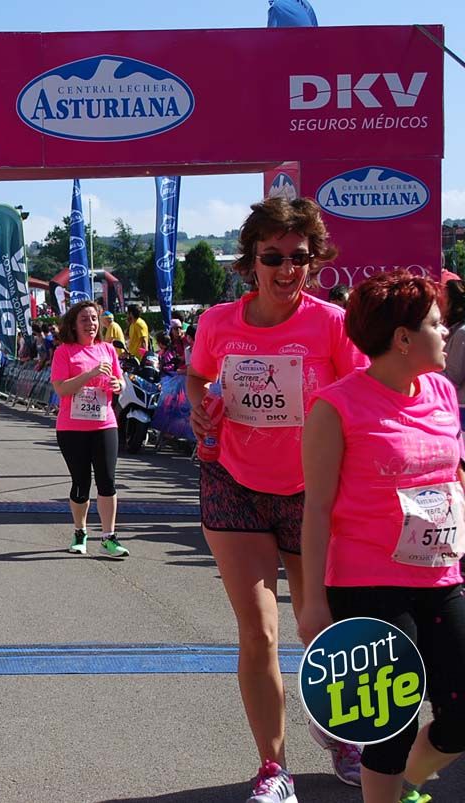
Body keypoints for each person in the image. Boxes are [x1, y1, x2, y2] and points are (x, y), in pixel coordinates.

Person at [186, 197, 366, 803]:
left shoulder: (331, 324)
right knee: (258, 632)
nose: (288, 269)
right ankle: (272, 767)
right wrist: (199, 404)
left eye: (299, 257)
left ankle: (339, 729)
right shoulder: (218, 322)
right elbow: (197, 374)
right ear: (251, 262)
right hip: (233, 480)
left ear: (314, 260)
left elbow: (360, 393)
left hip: (312, 491)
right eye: (274, 257)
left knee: (320, 627)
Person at [299, 270, 465, 803]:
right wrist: (313, 603)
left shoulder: (440, 390)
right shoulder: (336, 407)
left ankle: (408, 784)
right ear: (402, 339)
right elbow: (318, 509)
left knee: (461, 714)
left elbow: (452, 475)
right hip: (369, 583)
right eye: (437, 325)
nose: (446, 333)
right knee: (388, 727)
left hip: (443, 574)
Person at [50, 301, 129, 559]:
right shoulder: (65, 352)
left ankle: (109, 536)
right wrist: (91, 373)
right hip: (72, 428)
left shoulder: (108, 349)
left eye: (94, 319)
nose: (91, 324)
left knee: (107, 480)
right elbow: (62, 389)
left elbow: (120, 383)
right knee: (81, 483)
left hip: (104, 424)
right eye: (84, 319)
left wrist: (118, 385)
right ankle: (80, 532)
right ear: (74, 324)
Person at [441, 279, 465, 429]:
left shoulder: (462, 333)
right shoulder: (454, 329)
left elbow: (453, 377)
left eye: (443, 299)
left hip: (461, 407)